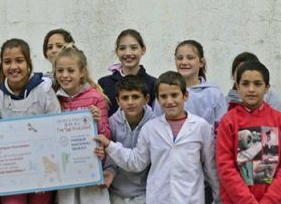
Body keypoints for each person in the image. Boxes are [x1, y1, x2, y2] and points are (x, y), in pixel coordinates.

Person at [95, 71, 220, 204]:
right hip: (159, 198)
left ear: (185, 95)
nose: (169, 101)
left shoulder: (201, 127)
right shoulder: (150, 128)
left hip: (191, 198)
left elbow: (210, 167)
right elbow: (136, 162)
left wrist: (218, 198)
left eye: (174, 95)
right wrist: (109, 145)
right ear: (158, 99)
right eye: (164, 96)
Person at [0, 38, 60, 204]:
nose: (13, 67)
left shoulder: (44, 89)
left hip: (43, 167)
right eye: (7, 62)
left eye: (19, 61)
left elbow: (56, 124)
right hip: (11, 170)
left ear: (28, 63)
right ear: (1, 65)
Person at [216, 60, 281, 203]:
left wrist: (269, 200)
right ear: (237, 87)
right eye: (245, 84)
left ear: (267, 87)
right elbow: (226, 167)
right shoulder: (228, 122)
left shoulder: (278, 120)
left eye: (257, 84)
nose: (251, 89)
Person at [54, 44, 111, 204]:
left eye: (71, 70)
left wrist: (98, 120)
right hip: (65, 171)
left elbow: (106, 135)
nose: (64, 75)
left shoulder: (96, 98)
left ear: (82, 72)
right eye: (60, 71)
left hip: (91, 167)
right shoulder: (54, 98)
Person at [103, 75, 155, 204]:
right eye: (125, 98)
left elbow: (145, 162)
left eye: (135, 97)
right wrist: (109, 171)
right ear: (118, 101)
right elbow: (109, 159)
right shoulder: (111, 123)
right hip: (115, 193)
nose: (130, 102)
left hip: (146, 194)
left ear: (146, 99)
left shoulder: (155, 124)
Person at [154, 39, 227, 128]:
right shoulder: (165, 93)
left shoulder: (214, 94)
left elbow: (222, 128)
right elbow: (157, 125)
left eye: (190, 58)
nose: (184, 62)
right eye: (180, 58)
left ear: (201, 62)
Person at [98, 29, 155, 116]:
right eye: (122, 48)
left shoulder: (153, 84)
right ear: (117, 52)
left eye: (133, 48)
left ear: (143, 50)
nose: (128, 53)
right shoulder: (104, 84)